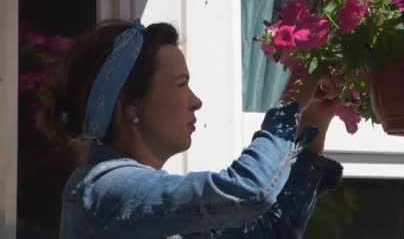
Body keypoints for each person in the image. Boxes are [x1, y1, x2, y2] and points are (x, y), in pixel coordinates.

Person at [42, 19, 343, 238]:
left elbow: (269, 233)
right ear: (131, 105)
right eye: (181, 84)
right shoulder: (105, 191)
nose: (196, 101)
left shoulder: (141, 205)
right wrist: (288, 106)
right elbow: (249, 190)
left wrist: (311, 122)